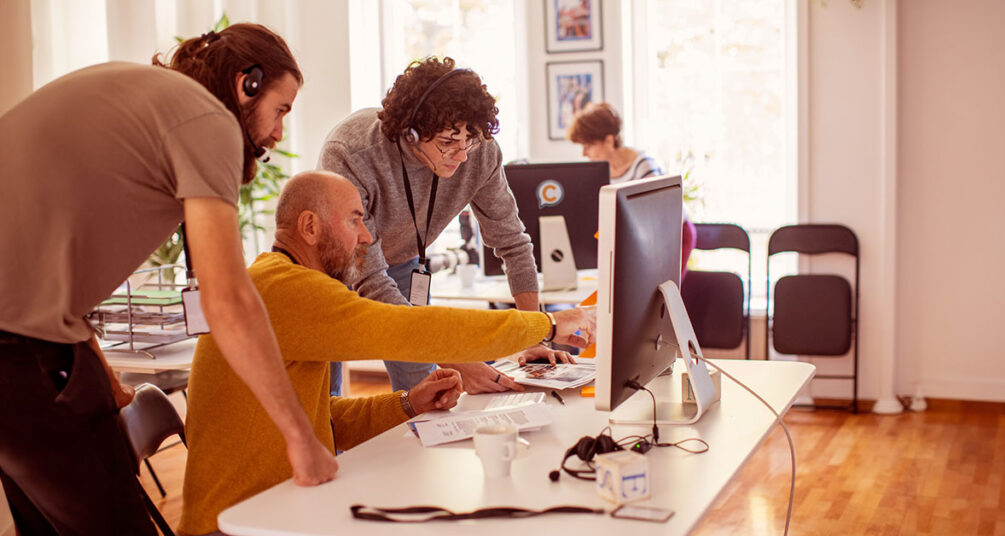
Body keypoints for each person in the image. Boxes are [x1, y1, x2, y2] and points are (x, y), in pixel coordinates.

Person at [0, 24, 338, 535]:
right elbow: (228, 299)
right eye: (281, 109)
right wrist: (300, 439)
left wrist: (101, 377)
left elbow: (42, 267)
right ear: (246, 84)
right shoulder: (208, 121)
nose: (278, 133)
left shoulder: (136, 92)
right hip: (19, 355)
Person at [179, 170, 595, 535]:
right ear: (310, 226)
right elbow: (412, 330)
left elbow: (322, 421)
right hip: (238, 523)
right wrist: (548, 324)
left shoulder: (282, 283)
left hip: (275, 506)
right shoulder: (286, 289)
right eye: (355, 220)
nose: (365, 236)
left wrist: (407, 403)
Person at [319, 56, 564, 395]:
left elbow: (512, 242)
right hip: (329, 271)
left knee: (426, 390)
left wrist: (532, 336)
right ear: (411, 131)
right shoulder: (352, 151)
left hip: (402, 265)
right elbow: (368, 274)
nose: (462, 156)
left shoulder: (479, 152)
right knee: (325, 403)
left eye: (470, 141)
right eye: (448, 142)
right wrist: (457, 359)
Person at [567, 102, 697, 279]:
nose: (584, 153)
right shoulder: (602, 171)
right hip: (641, 241)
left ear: (609, 140)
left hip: (674, 235)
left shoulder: (644, 166)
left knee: (663, 294)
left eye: (588, 146)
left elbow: (658, 219)